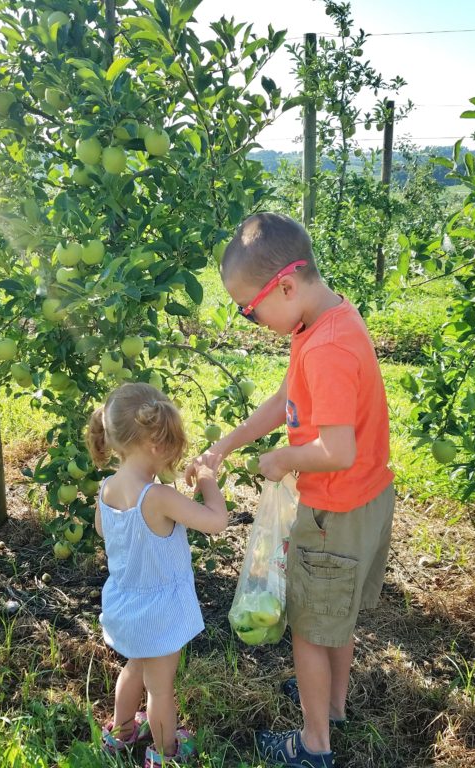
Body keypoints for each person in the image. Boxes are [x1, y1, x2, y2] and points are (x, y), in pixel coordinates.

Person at [185, 212, 395, 768]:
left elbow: (336, 451)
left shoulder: (325, 349)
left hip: (334, 507)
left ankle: (313, 743)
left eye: (249, 311)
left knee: (307, 626)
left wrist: (279, 459)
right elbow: (287, 399)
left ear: (284, 285)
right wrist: (228, 444)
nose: (249, 321)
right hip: (364, 499)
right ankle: (334, 705)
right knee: (336, 617)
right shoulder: (325, 321)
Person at [87, 382, 228, 767]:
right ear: (155, 444)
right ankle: (166, 753)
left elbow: (104, 530)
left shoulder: (107, 488)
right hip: (159, 610)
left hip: (124, 604)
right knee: (160, 688)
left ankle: (121, 733)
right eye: (172, 442)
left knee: (134, 667)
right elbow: (216, 522)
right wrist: (207, 482)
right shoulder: (159, 496)